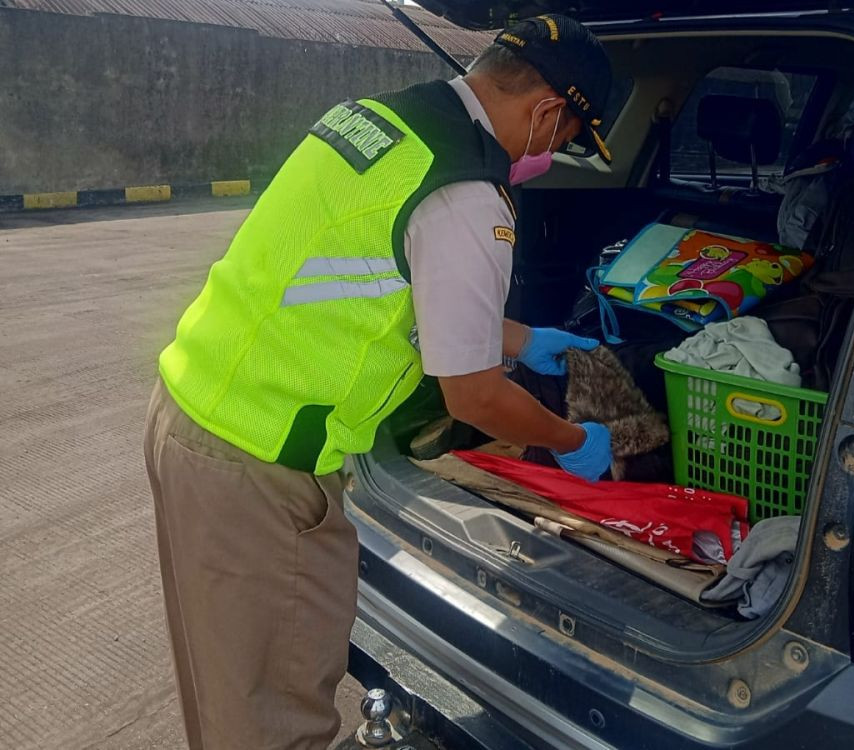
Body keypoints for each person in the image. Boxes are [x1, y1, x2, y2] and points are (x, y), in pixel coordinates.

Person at [143, 14, 619, 750]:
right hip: (258, 466)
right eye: (565, 142)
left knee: (226, 696)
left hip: (198, 414)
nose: (554, 157)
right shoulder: (466, 192)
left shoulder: (376, 122)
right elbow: (475, 397)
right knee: (273, 722)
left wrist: (526, 339)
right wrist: (571, 439)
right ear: (549, 111)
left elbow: (381, 281)